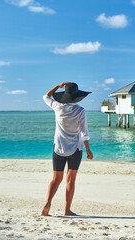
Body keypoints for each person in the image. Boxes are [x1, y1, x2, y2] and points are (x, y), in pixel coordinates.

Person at [41, 82, 93, 216]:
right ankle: (67, 210)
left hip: (58, 147)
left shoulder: (57, 107)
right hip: (75, 148)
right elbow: (84, 133)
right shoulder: (80, 111)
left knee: (56, 179)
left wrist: (58, 86)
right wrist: (88, 150)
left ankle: (47, 204)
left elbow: (46, 96)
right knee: (71, 180)